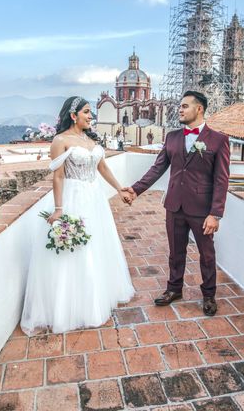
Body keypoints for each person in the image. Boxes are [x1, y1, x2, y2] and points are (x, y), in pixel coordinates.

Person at [20, 96, 135, 335]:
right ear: (73, 116)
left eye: (91, 112)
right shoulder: (60, 141)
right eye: (86, 112)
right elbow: (58, 176)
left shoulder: (90, 140)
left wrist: (119, 188)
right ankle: (73, 308)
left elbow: (102, 167)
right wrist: (59, 209)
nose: (91, 116)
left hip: (95, 198)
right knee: (76, 250)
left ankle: (96, 299)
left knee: (96, 246)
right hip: (73, 197)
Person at [123, 91, 230, 316]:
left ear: (199, 109)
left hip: (202, 209)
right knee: (175, 251)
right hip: (174, 206)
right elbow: (157, 168)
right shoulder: (172, 137)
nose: (179, 110)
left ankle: (209, 294)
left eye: (184, 106)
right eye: (180, 107)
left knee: (207, 254)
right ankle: (174, 289)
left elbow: (221, 180)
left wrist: (215, 214)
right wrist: (136, 190)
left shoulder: (219, 140)